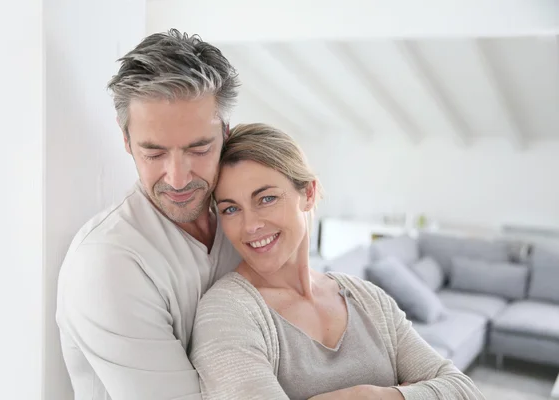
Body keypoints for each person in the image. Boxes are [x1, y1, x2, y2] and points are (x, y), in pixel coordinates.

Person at [189, 123, 485, 400]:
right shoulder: (227, 312)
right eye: (230, 209)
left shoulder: (368, 300)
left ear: (308, 193)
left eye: (266, 199)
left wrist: (377, 396)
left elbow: (463, 390)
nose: (250, 225)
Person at [56, 30, 242, 400]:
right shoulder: (108, 262)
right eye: (154, 153)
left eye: (200, 148)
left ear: (225, 133)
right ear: (126, 140)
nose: (178, 178)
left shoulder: (242, 222)